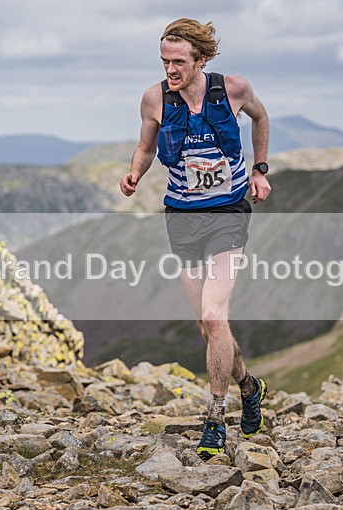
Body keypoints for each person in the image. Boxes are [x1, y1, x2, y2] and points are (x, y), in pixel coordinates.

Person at [119, 18, 271, 458]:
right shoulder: (154, 99)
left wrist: (260, 170)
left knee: (214, 312)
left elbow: (261, 118)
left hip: (227, 214)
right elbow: (146, 148)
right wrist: (134, 173)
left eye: (179, 62)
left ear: (201, 60)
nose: (170, 70)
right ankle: (248, 385)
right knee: (208, 328)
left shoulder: (234, 89)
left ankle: (216, 418)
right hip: (181, 216)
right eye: (165, 61)